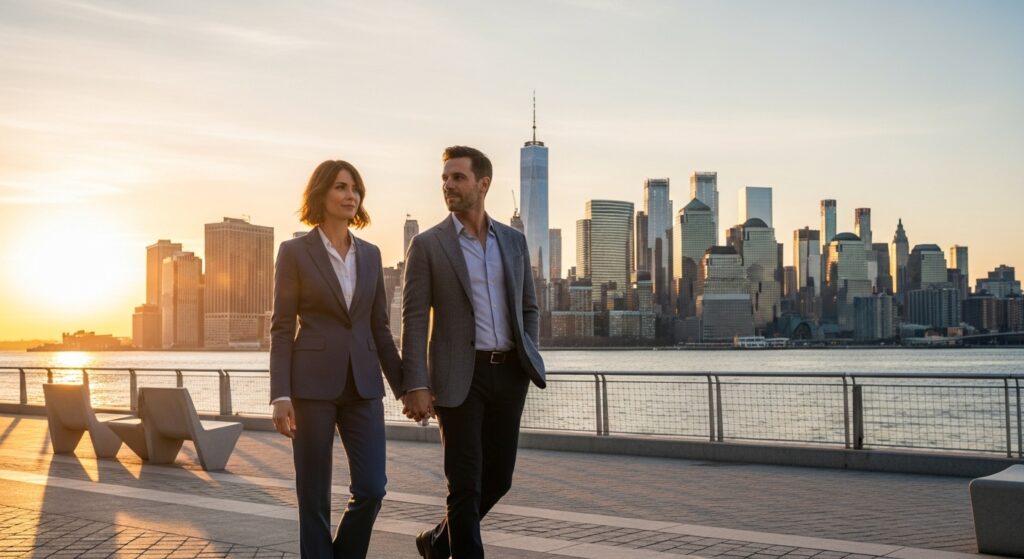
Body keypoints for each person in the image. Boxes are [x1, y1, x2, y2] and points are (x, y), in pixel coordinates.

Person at [401, 145, 547, 558]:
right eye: (444, 178)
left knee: (498, 479)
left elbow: (528, 307)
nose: (448, 185)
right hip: (457, 376)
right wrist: (415, 384)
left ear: (483, 184)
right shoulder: (428, 245)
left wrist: (527, 354)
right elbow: (413, 320)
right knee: (464, 483)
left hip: (509, 375)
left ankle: (435, 542)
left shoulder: (514, 243)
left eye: (458, 177)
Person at [269, 159, 419, 558]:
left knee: (372, 488)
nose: (350, 194)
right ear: (320, 194)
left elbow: (380, 329)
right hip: (310, 386)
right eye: (340, 186)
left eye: (355, 188)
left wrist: (405, 387)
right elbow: (282, 328)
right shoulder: (295, 252)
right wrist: (280, 393)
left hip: (364, 385)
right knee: (314, 495)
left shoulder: (370, 255)